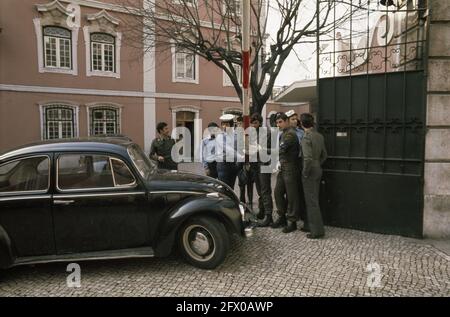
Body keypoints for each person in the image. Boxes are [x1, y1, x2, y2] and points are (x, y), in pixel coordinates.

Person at [300, 113, 327, 239]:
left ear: (302, 124)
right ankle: (309, 225)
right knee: (314, 199)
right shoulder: (319, 136)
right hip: (318, 168)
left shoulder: (306, 137)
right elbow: (324, 155)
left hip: (310, 171)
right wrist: (317, 164)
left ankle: (316, 231)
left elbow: (307, 158)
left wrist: (305, 172)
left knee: (311, 202)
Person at [272, 112, 301, 233]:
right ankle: (282, 216)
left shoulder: (290, 134)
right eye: (277, 122)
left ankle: (292, 221)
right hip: (283, 167)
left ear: (286, 121)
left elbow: (281, 149)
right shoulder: (283, 133)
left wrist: (261, 149)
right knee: (278, 192)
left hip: (290, 167)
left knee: (291, 196)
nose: (278, 124)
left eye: (280, 122)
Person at [249, 113, 274, 227]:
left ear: (260, 122)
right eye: (252, 123)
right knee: (259, 190)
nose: (253, 125)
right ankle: (262, 211)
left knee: (265, 190)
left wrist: (260, 148)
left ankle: (269, 216)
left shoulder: (267, 133)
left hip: (264, 164)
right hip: (255, 164)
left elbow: (272, 149)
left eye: (255, 123)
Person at [285, 110, 308, 232]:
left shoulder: (301, 132)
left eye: (295, 119)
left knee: (297, 192)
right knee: (286, 193)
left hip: (299, 162)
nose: (295, 121)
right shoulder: (284, 133)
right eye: (292, 119)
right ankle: (288, 218)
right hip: (287, 164)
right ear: (287, 121)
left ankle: (296, 217)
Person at [216, 114, 243, 188]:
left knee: (231, 188)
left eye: (227, 124)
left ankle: (230, 200)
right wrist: (240, 157)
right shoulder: (220, 136)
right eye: (223, 124)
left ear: (231, 125)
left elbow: (239, 147)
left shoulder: (236, 135)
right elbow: (228, 149)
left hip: (233, 164)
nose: (224, 126)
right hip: (223, 164)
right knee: (224, 187)